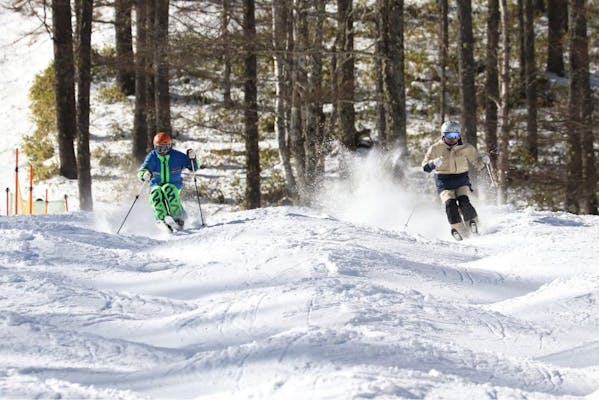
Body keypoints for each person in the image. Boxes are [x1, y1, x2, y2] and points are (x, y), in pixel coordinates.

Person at [421, 121, 490, 240]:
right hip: (444, 182)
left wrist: (484, 161)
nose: (452, 139)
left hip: (461, 180)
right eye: (449, 136)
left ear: (459, 136)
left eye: (455, 136)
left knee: (464, 201)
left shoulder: (466, 148)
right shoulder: (435, 148)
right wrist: (433, 163)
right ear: (443, 136)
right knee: (450, 204)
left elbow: (477, 163)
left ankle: (472, 223)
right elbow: (424, 167)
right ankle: (459, 228)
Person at [137, 132, 199, 232]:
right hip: (156, 185)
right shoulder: (152, 156)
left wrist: (193, 159)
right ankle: (162, 219)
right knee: (156, 195)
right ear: (154, 147)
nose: (162, 151)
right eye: (159, 148)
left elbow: (193, 167)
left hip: (174, 185)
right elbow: (142, 170)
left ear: (170, 146)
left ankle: (179, 218)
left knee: (168, 189)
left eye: (165, 148)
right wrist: (144, 174)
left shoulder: (177, 156)